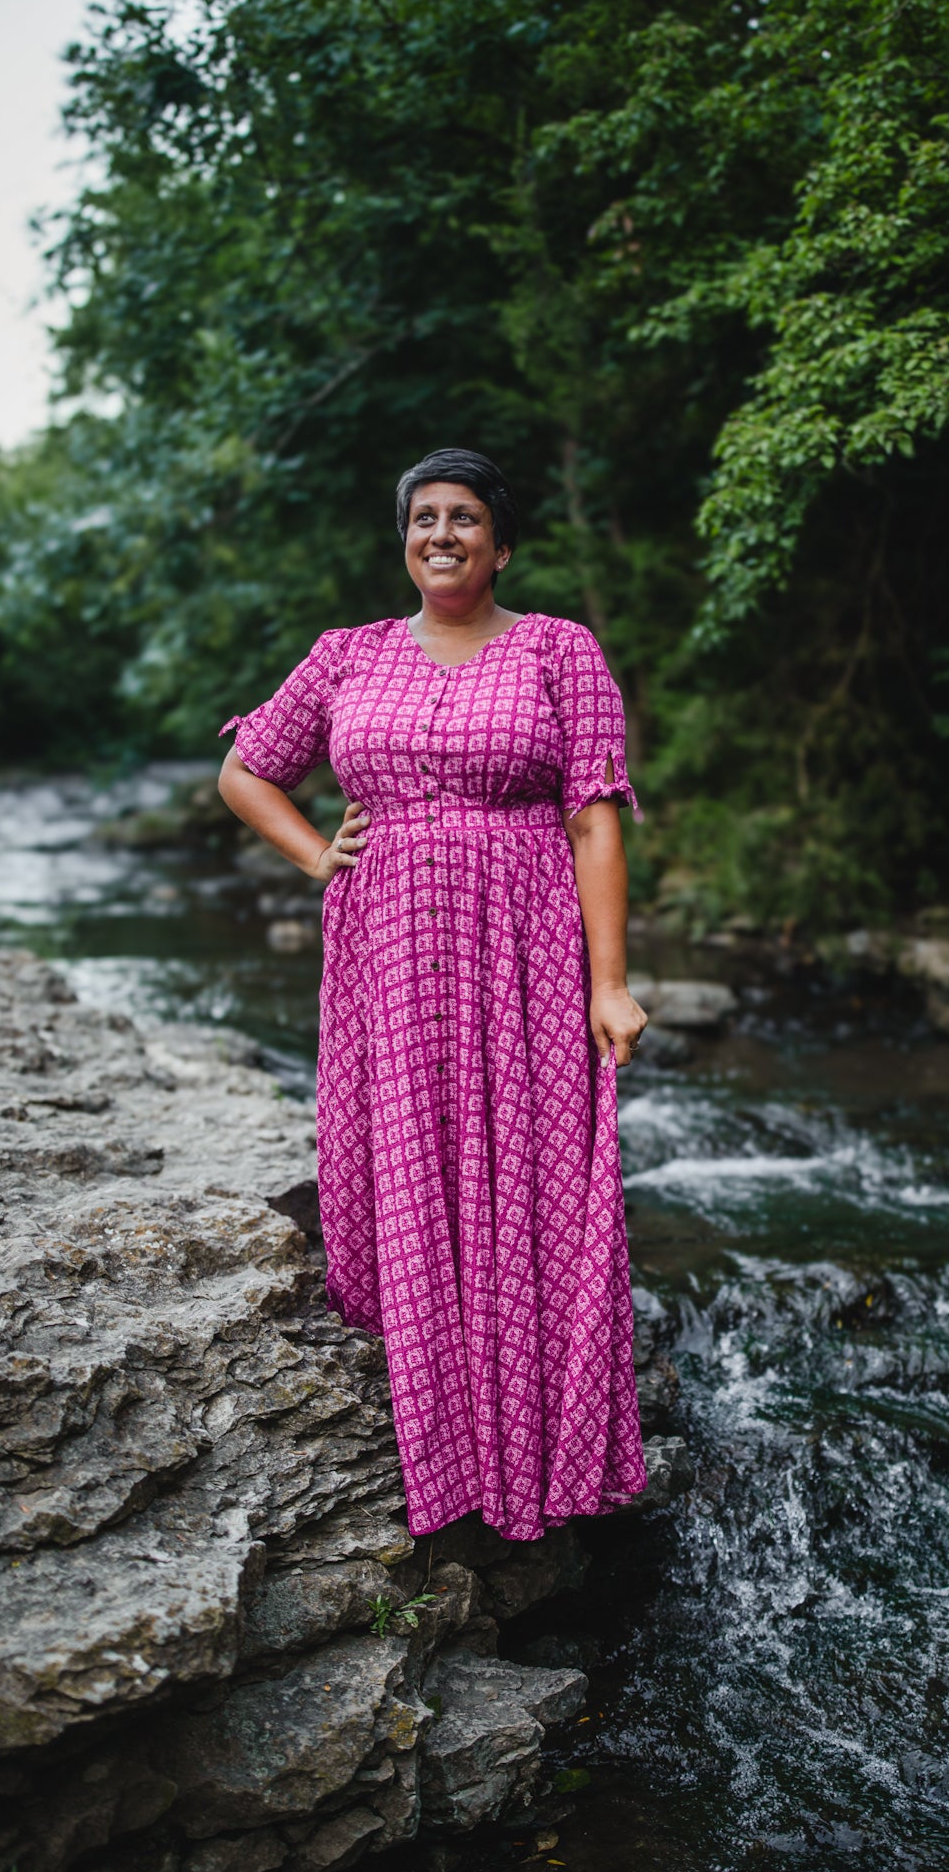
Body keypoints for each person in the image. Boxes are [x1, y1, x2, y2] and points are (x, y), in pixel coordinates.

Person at [218, 448, 650, 1542]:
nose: (442, 533)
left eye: (464, 518)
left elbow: (594, 816)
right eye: (424, 518)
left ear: (500, 545)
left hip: (525, 943)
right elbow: (244, 770)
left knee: (531, 1168)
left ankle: (535, 1438)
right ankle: (440, 1439)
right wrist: (318, 855)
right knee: (414, 1164)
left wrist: (612, 984)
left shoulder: (560, 649)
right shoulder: (346, 656)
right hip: (388, 949)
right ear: (404, 540)